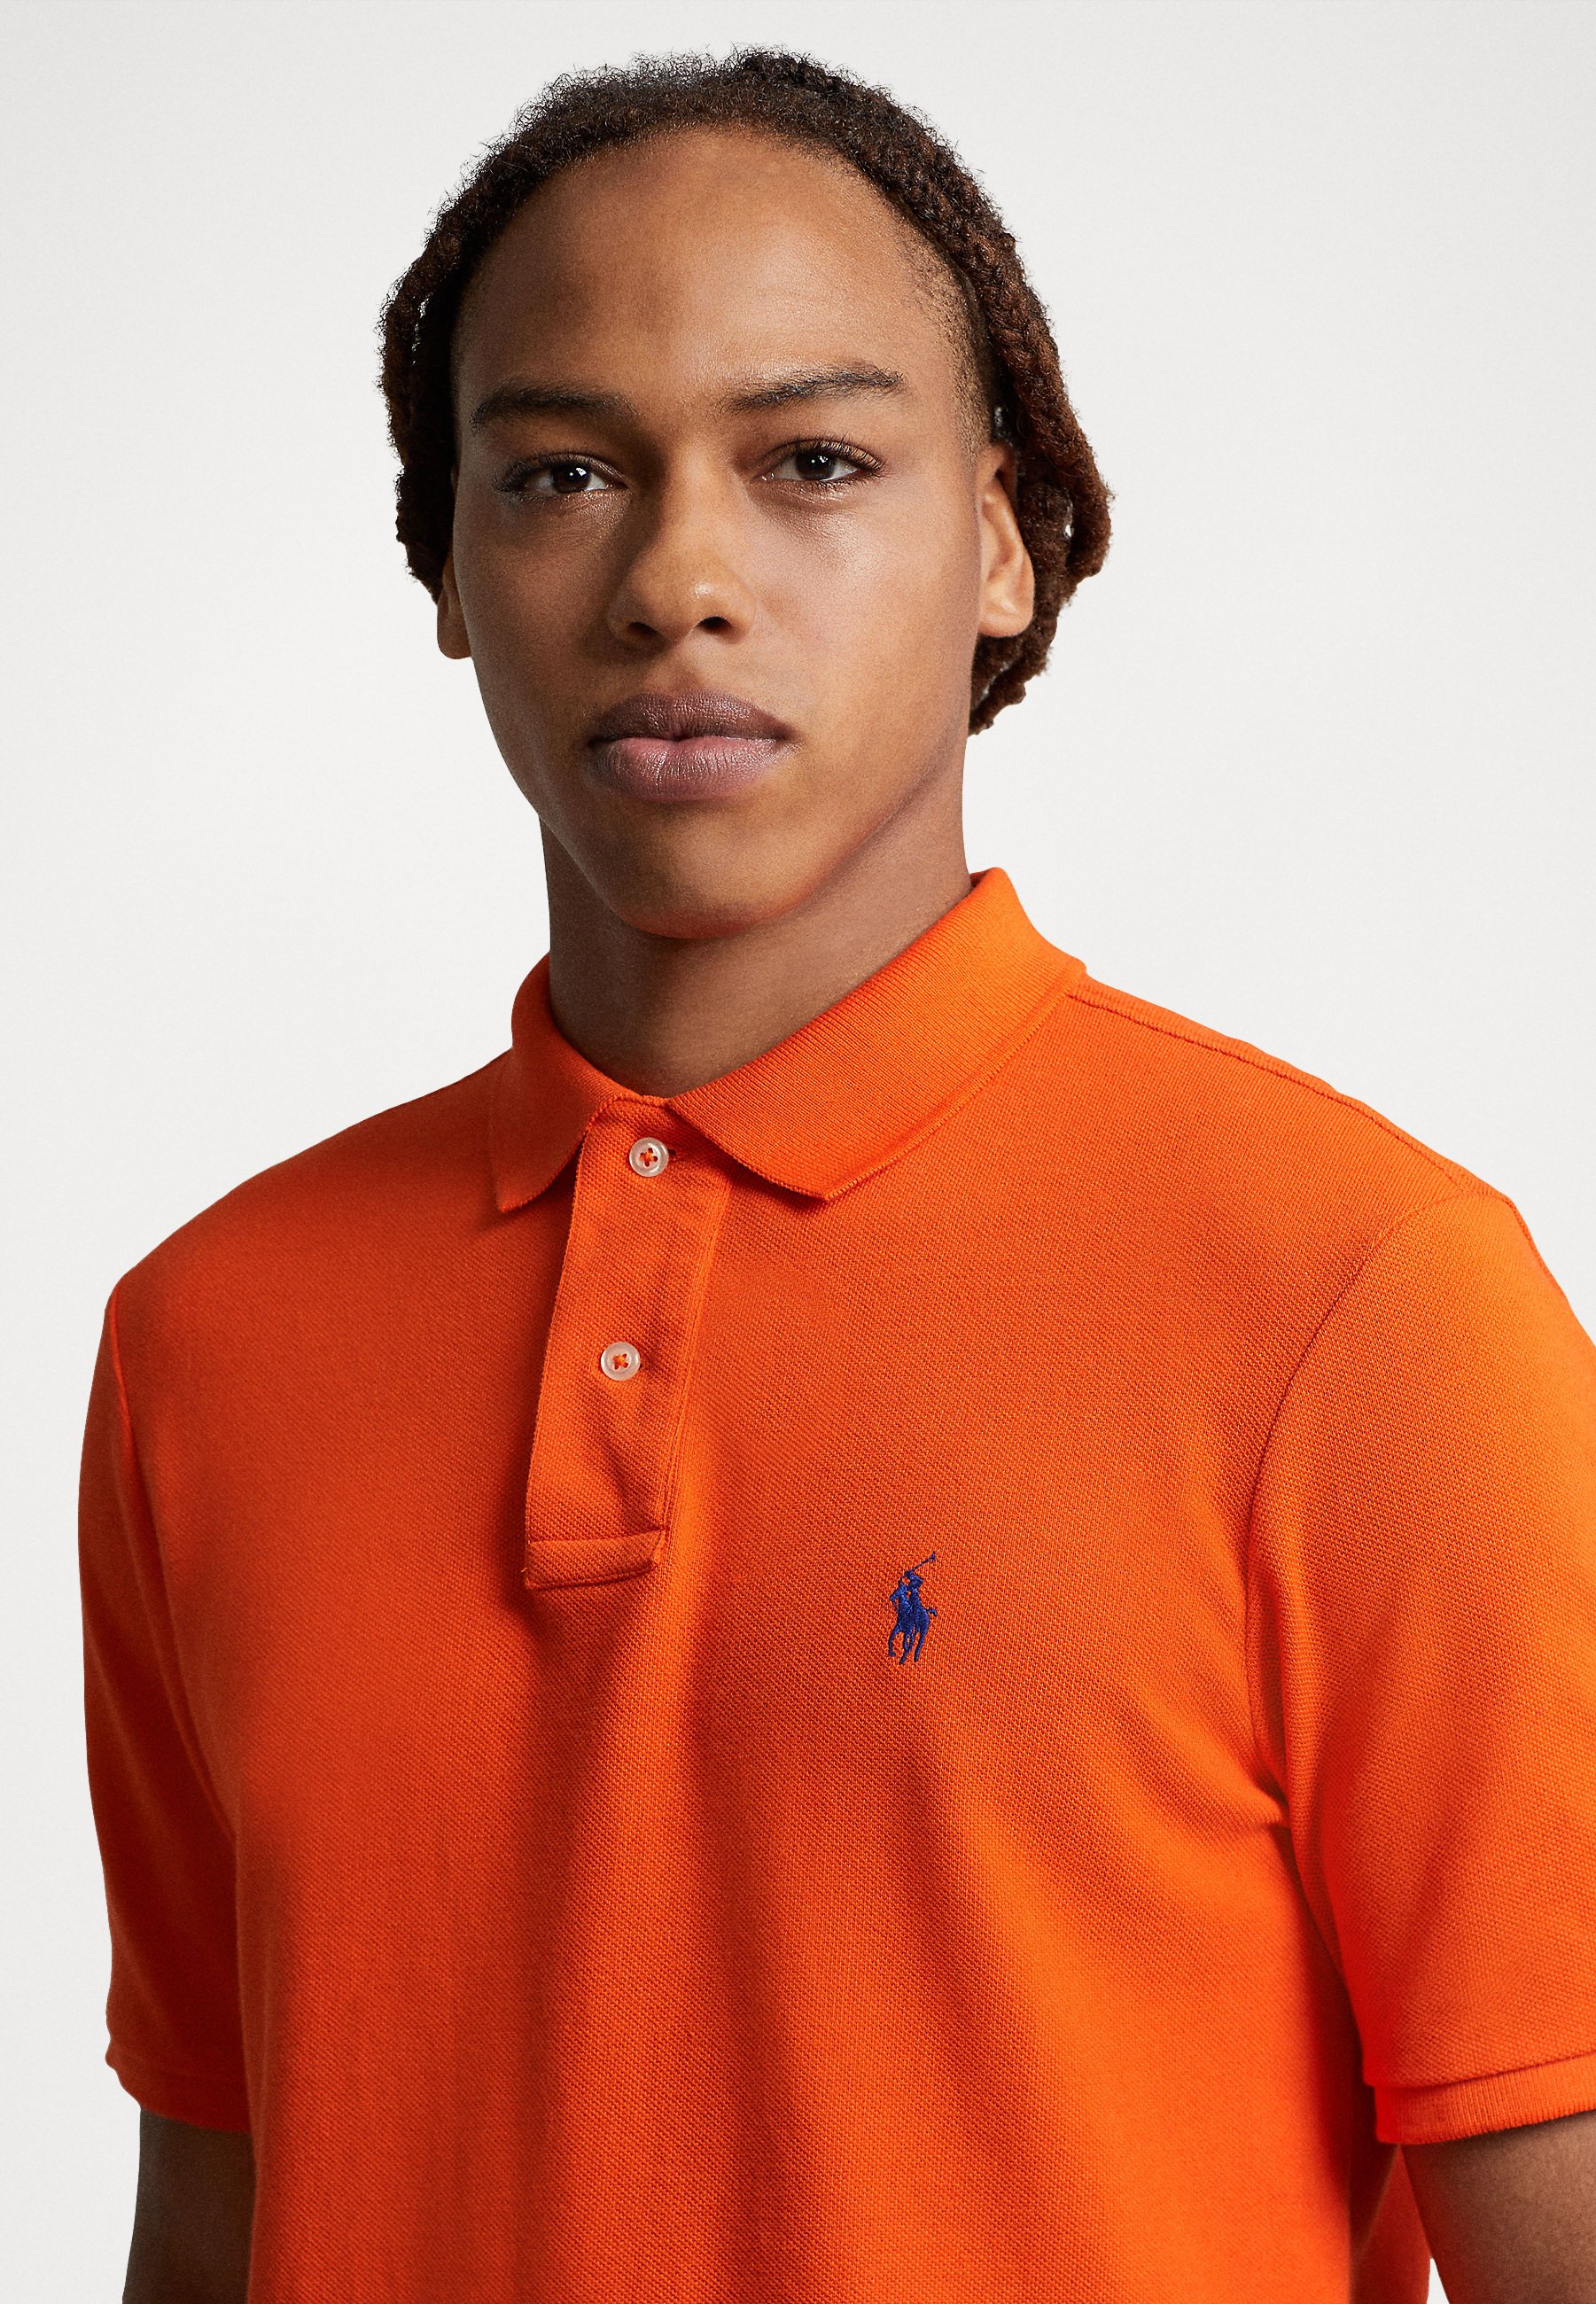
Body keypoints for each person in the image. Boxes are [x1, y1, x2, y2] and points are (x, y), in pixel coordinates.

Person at [78, 47, 1596, 2304]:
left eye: (811, 461)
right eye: (563, 471)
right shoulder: (208, 1342)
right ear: (447, 564)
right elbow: (217, 2221)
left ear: (999, 539)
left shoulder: (1361, 1304)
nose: (677, 577)